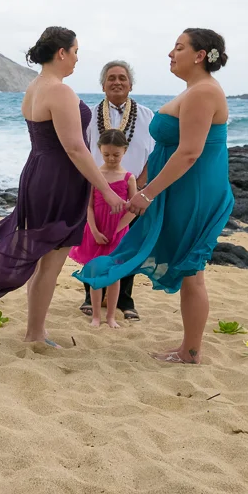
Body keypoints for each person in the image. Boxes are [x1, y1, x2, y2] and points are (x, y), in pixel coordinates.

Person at [0, 26, 123, 345]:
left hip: (38, 172)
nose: (76, 59)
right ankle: (34, 334)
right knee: (51, 262)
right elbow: (75, 147)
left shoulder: (35, 87)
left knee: (45, 258)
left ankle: (37, 330)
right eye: (75, 52)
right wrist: (106, 189)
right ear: (61, 53)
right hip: (58, 178)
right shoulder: (59, 90)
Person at [73, 28, 234, 364]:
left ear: (200, 55)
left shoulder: (203, 92)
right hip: (181, 189)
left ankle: (190, 351)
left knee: (193, 270)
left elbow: (190, 153)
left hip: (194, 191)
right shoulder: (194, 91)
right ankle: (188, 348)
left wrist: (146, 194)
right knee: (190, 270)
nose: (171, 54)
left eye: (178, 48)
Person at [79, 60, 154, 320]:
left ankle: (125, 299)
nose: (117, 82)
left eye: (122, 78)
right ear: (103, 85)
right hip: (97, 189)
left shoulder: (146, 115)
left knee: (127, 247)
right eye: (111, 78)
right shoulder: (89, 114)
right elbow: (82, 152)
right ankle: (90, 295)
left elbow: (152, 154)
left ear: (130, 84)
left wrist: (142, 185)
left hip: (131, 192)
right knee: (93, 245)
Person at [69, 129, 138, 329]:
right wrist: (94, 230)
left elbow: (133, 209)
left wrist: (118, 229)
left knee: (114, 276)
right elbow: (88, 206)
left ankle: (111, 317)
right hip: (95, 231)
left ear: (124, 151)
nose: (111, 158)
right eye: (106, 154)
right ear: (99, 150)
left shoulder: (128, 178)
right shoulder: (95, 175)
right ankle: (96, 316)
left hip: (118, 233)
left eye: (116, 154)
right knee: (96, 275)